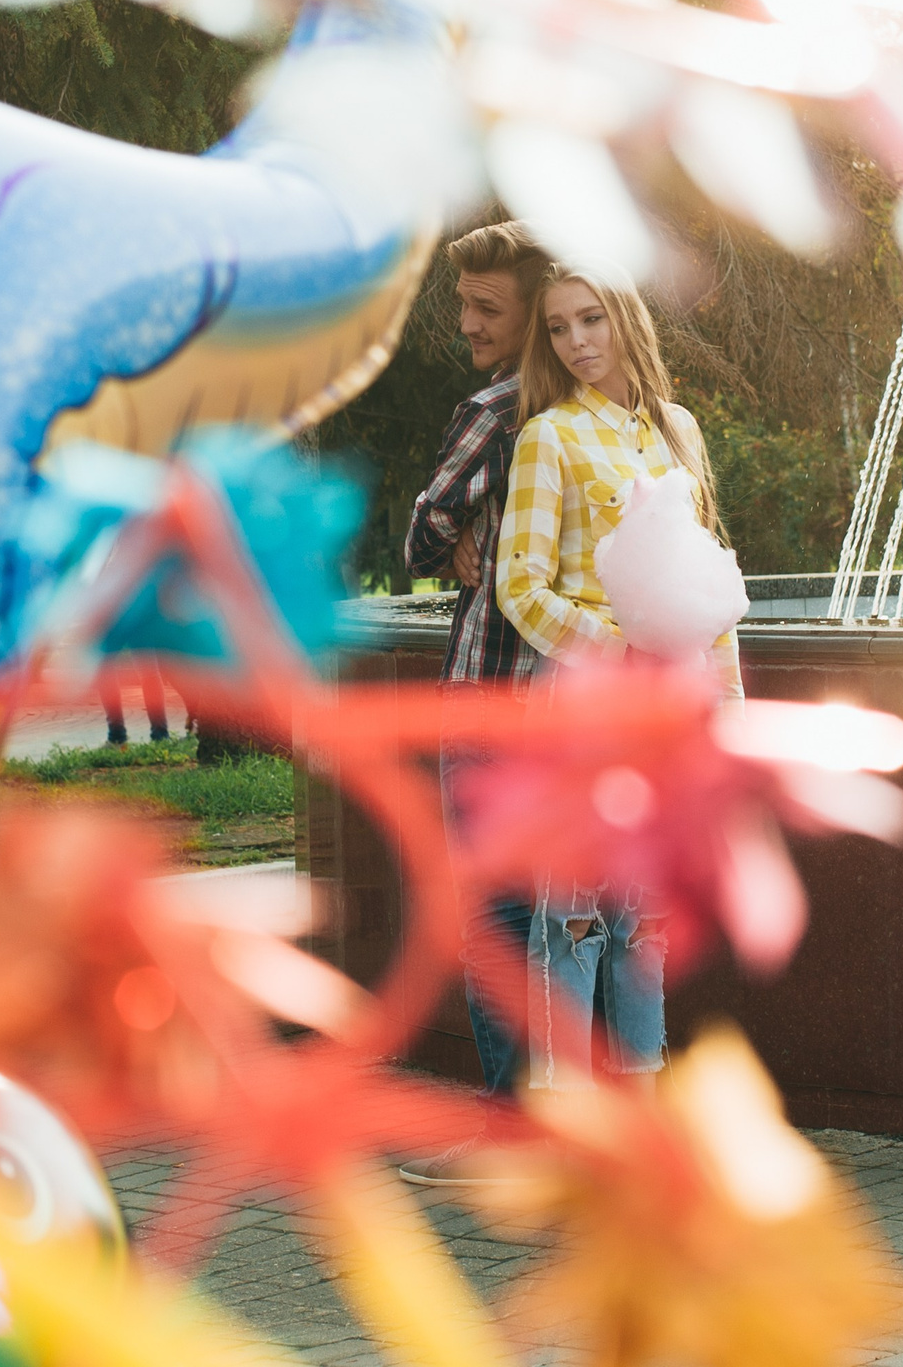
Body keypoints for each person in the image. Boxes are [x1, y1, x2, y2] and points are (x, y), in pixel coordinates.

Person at [494, 261, 741, 1091]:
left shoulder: (678, 432)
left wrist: (724, 705)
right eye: (559, 328)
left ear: (626, 319)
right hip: (580, 703)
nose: (576, 343)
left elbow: (709, 580)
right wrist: (618, 643)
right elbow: (520, 586)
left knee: (644, 914)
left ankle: (641, 1104)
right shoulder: (550, 436)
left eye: (590, 320)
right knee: (569, 913)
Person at [392, 223, 549, 1185]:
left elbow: (417, 536)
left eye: (488, 308)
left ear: (533, 310)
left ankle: (507, 1128)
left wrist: (452, 547)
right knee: (566, 919)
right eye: (463, 304)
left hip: (490, 698)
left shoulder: (495, 412)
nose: (467, 324)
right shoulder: (600, 410)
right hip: (571, 701)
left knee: (495, 920)